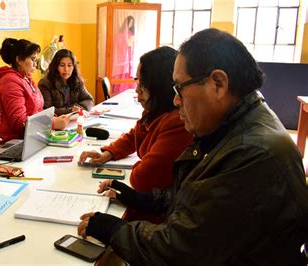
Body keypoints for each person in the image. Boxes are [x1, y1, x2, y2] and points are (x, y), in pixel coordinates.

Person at [78, 28, 308, 264]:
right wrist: (142, 199)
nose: (176, 100)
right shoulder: (235, 126)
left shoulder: (253, 154)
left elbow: (181, 251)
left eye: (179, 88)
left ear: (218, 84)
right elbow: (199, 201)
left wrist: (115, 230)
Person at [78, 47, 192, 222]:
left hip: (161, 215)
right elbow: (135, 136)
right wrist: (108, 153)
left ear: (159, 86)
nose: (137, 91)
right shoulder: (156, 111)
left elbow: (142, 179)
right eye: (137, 81)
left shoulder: (177, 121)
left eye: (143, 84)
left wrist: (140, 164)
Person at [0, 38, 71, 143]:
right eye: (33, 59)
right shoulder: (10, 82)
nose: (35, 64)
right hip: (15, 143)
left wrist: (55, 118)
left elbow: (38, 110)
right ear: (19, 60)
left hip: (33, 137)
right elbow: (20, 123)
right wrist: (52, 123)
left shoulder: (26, 79)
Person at [38, 49, 94, 116]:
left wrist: (78, 108)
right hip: (56, 122)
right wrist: (70, 110)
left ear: (74, 67)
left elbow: (88, 100)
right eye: (62, 65)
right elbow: (47, 110)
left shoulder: (77, 81)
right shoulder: (45, 84)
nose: (66, 69)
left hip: (75, 119)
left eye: (69, 65)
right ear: (56, 66)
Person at [112, 15, 135, 95]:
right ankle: (120, 91)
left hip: (129, 56)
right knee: (122, 73)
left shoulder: (131, 34)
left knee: (129, 73)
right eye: (129, 22)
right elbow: (118, 44)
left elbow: (132, 45)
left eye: (132, 23)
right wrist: (126, 43)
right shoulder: (120, 34)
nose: (130, 24)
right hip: (122, 56)